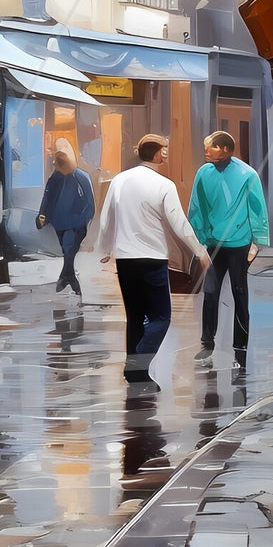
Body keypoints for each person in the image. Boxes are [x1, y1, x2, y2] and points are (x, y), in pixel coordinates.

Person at [96, 134, 210, 387]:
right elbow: (179, 223)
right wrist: (199, 251)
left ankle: (136, 373)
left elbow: (107, 217)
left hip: (125, 259)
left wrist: (104, 248)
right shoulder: (164, 185)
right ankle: (137, 364)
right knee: (161, 318)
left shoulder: (119, 180)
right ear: (157, 154)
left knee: (135, 316)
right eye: (165, 150)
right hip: (153, 258)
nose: (167, 154)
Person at [188, 129, 269, 366]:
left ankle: (240, 347)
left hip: (239, 245)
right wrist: (200, 240)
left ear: (224, 149)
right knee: (210, 292)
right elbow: (197, 207)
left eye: (210, 147)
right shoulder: (203, 173)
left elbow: (257, 209)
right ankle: (206, 342)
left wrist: (257, 244)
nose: (205, 151)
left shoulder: (247, 174)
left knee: (239, 293)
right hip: (213, 244)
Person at [37, 139, 95, 297]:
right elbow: (47, 198)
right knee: (67, 250)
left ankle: (66, 278)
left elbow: (89, 202)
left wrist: (84, 217)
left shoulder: (81, 177)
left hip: (76, 223)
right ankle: (68, 277)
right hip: (60, 222)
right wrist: (42, 215)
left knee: (69, 249)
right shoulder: (55, 178)